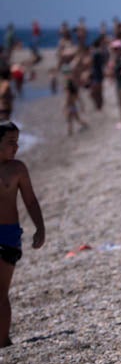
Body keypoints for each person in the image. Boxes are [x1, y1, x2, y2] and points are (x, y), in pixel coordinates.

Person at [0, 121, 45, 347]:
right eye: (10, 143)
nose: (16, 148)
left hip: (8, 234)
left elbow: (30, 200)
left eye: (17, 143)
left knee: (1, 290)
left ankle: (3, 340)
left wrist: (40, 227)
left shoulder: (17, 169)